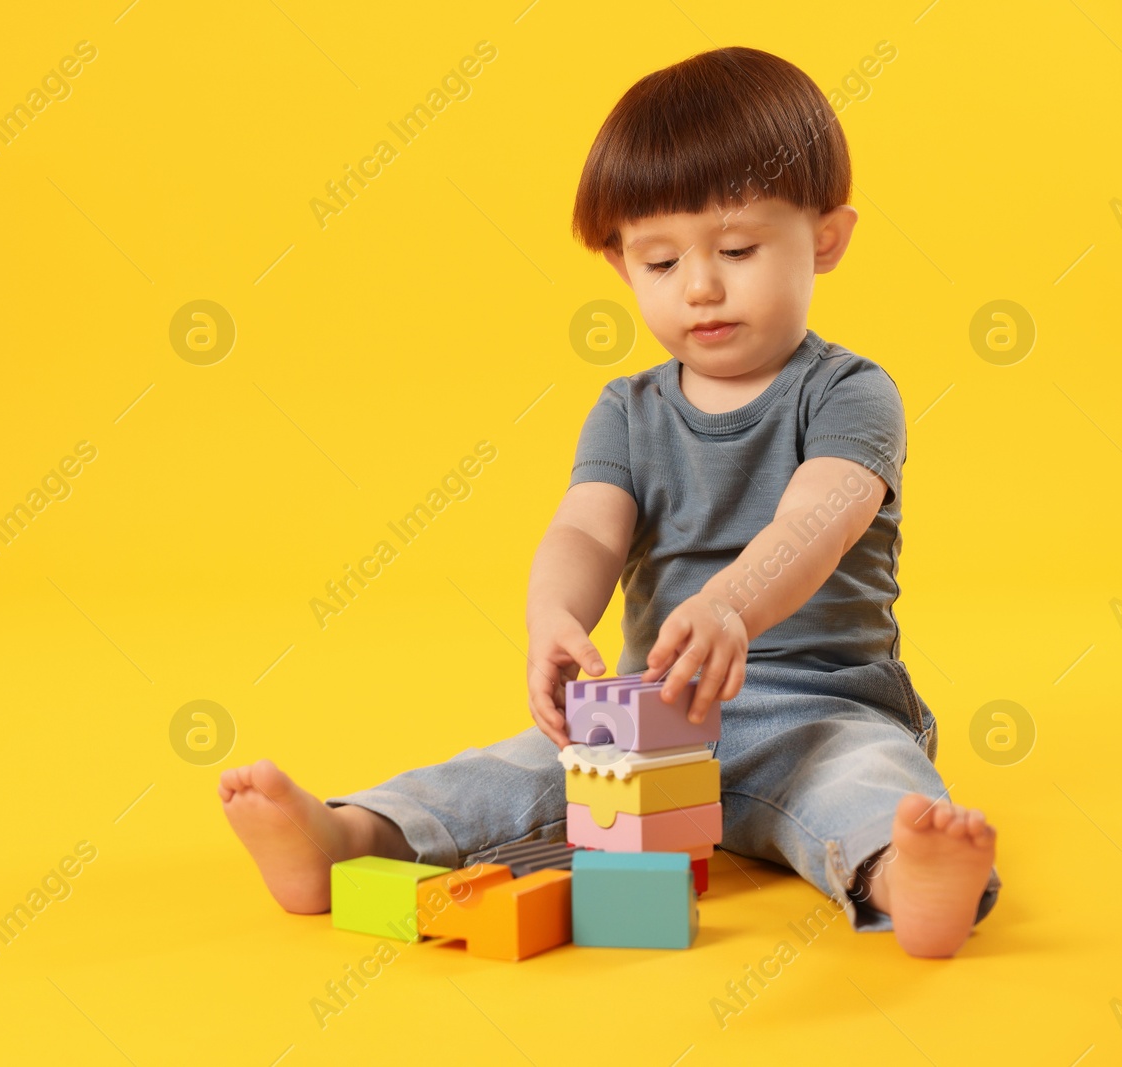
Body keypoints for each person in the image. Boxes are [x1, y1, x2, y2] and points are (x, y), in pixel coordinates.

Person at [220, 45, 1000, 958]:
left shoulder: (848, 392)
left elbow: (817, 522)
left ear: (826, 237)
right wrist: (552, 616)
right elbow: (587, 526)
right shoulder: (627, 411)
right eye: (660, 261)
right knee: (512, 773)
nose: (701, 286)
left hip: (817, 706)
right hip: (648, 717)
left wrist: (728, 607)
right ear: (618, 262)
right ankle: (354, 835)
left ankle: (912, 879)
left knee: (866, 779)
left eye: (738, 249)